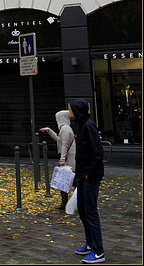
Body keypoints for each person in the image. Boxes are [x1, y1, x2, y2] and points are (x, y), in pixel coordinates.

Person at [70, 98, 105, 264]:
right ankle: (90, 242)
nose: (70, 113)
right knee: (83, 210)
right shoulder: (83, 125)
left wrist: (89, 174)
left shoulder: (89, 126)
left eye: (72, 110)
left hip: (90, 176)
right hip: (83, 175)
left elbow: (98, 152)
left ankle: (98, 251)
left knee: (91, 211)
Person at [40, 109, 76, 209]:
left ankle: (67, 202)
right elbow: (58, 139)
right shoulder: (65, 129)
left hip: (69, 159)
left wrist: (62, 159)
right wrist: (48, 130)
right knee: (68, 181)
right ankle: (66, 202)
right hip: (68, 158)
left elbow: (64, 144)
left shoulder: (65, 129)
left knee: (68, 180)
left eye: (57, 118)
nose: (56, 121)